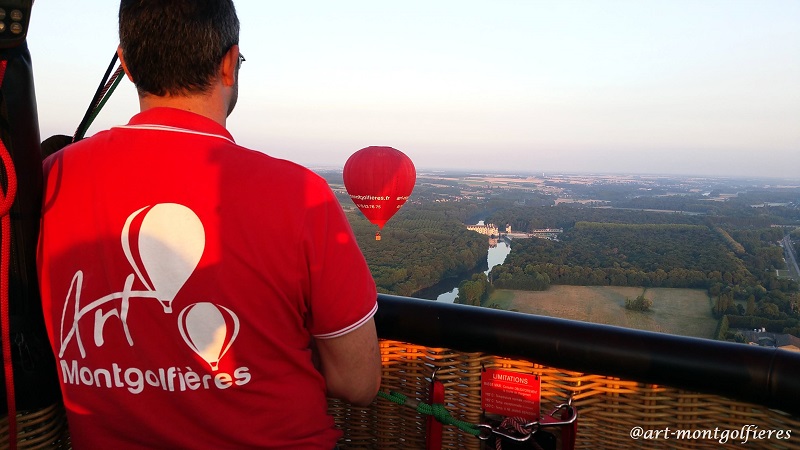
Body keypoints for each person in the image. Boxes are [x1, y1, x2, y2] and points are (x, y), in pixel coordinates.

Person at [36, 1, 381, 448]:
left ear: (125, 65)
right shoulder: (301, 195)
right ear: (228, 64)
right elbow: (358, 383)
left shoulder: (48, 181)